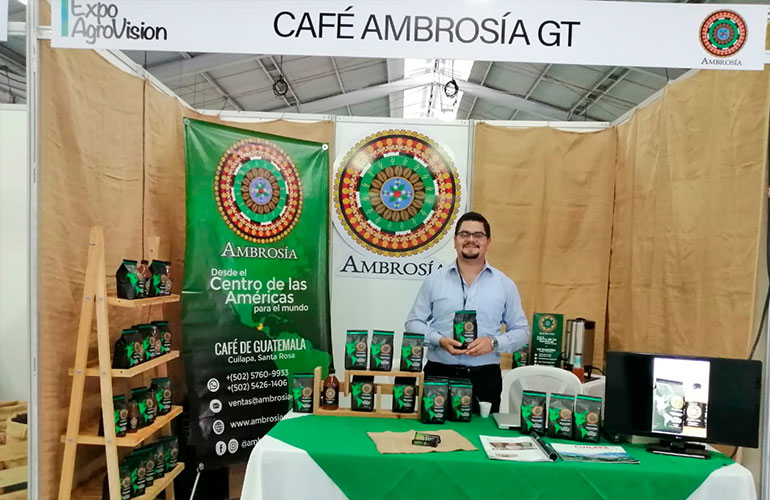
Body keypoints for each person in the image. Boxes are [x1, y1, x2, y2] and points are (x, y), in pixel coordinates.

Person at [405, 211, 530, 414]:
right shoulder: (435, 280)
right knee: (433, 431)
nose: (471, 239)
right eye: (464, 234)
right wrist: (439, 340)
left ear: (488, 242)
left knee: (482, 432)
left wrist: (493, 343)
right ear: (455, 241)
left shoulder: (504, 284)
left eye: (478, 235)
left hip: (485, 379)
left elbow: (522, 331)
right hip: (439, 375)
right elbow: (413, 323)